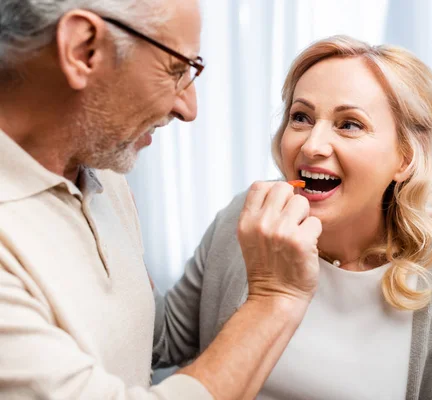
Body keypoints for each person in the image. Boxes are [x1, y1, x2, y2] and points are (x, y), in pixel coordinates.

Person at [0, 1, 322, 399]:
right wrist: (275, 298)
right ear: (83, 49)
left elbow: (148, 338)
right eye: (176, 70)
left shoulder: (105, 177)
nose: (189, 108)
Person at [153, 35, 432, 400]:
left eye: (349, 124)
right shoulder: (248, 221)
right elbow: (163, 340)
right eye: (300, 117)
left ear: (405, 159)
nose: (312, 145)